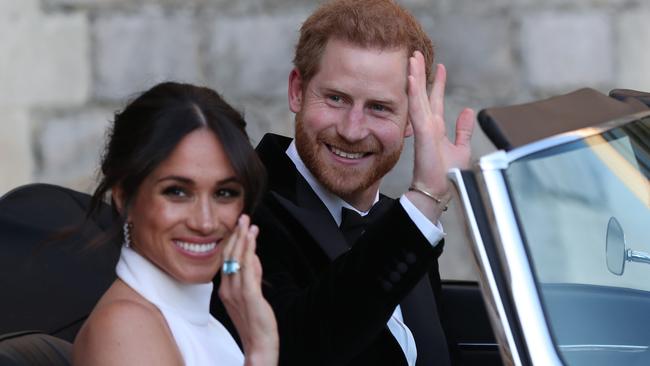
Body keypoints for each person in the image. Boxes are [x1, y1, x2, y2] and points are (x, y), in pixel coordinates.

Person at [211, 0, 476, 365]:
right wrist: (426, 201)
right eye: (336, 99)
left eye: (379, 107)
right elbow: (295, 348)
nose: (352, 130)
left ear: (413, 119)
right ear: (297, 92)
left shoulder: (402, 222)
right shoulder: (238, 208)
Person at [72, 82, 278, 366]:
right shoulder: (126, 327)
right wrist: (260, 353)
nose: (205, 222)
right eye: (177, 192)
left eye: (224, 193)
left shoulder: (199, 321)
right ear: (124, 198)